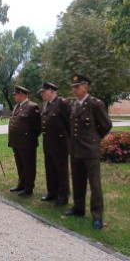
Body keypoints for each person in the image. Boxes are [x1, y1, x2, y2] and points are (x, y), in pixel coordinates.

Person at [63, 74, 112, 230]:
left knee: (95, 185)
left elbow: (106, 125)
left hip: (90, 150)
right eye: (73, 88)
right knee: (78, 181)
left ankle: (97, 216)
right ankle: (78, 208)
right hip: (76, 150)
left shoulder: (95, 104)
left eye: (77, 87)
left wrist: (95, 139)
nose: (74, 90)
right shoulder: (74, 105)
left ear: (86, 87)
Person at [38, 82, 70, 206]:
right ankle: (52, 192)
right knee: (50, 169)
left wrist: (68, 140)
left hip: (60, 143)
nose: (41, 94)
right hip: (48, 143)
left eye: (43, 91)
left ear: (51, 91)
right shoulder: (45, 104)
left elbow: (69, 124)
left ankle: (63, 196)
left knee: (61, 170)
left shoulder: (61, 103)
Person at [8, 85, 41, 196]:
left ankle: (29, 187)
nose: (14, 96)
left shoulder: (32, 107)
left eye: (15, 94)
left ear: (22, 94)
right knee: (20, 165)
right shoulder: (17, 106)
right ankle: (21, 184)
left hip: (27, 143)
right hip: (16, 142)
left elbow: (38, 127)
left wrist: (30, 138)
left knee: (29, 165)